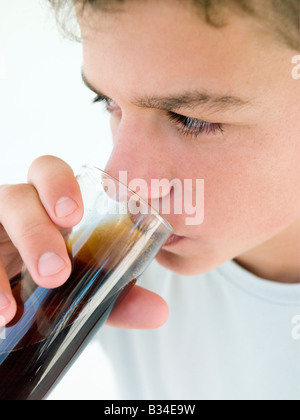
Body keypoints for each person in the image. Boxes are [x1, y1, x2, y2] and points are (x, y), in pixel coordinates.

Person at [0, 0, 299, 400]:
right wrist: (17, 315)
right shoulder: (107, 266)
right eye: (108, 102)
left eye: (192, 119)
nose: (122, 183)